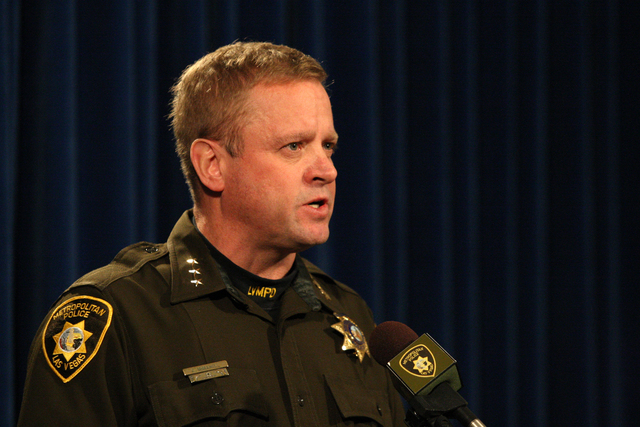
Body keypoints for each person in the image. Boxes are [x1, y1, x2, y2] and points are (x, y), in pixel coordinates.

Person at [18, 41, 405, 426]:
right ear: (212, 165)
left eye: (328, 146)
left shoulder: (349, 314)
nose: (327, 170)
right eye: (294, 146)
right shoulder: (116, 317)